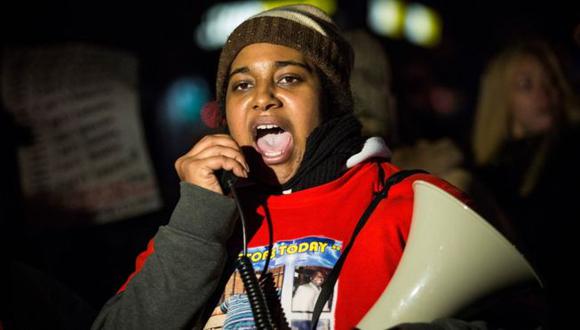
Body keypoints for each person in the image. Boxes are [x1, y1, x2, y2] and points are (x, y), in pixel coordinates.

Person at [91, 5, 485, 330]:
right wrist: (197, 223)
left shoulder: (410, 203)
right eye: (242, 85)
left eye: (289, 78)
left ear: (329, 102)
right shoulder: (204, 218)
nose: (263, 98)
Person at [471, 39, 580, 328]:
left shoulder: (568, 153)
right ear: (502, 98)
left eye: (551, 81)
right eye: (526, 85)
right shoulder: (490, 170)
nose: (544, 93)